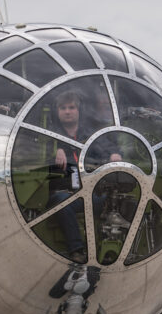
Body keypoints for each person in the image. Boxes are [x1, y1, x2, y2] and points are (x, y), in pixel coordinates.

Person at [46, 90, 121, 263]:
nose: (67, 111)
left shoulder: (90, 135)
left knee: (113, 199)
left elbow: (106, 147)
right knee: (61, 201)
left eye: (71, 107)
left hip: (88, 193)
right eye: (63, 108)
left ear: (79, 111)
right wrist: (56, 149)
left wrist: (113, 155)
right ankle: (76, 249)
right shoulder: (50, 136)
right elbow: (37, 155)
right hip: (64, 193)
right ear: (57, 112)